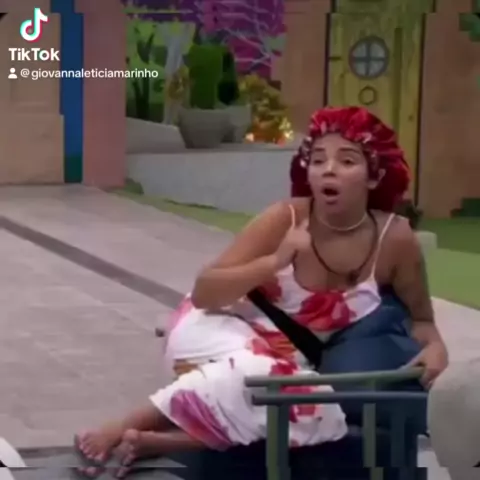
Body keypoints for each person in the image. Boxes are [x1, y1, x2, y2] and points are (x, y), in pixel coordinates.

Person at [74, 106, 448, 478]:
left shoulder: (395, 240)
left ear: (374, 175)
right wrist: (276, 260)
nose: (328, 169)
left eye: (346, 161)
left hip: (290, 360)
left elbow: (421, 319)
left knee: (319, 405)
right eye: (318, 160)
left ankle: (159, 442)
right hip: (221, 323)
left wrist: (435, 348)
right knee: (261, 377)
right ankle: (126, 424)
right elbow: (204, 292)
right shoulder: (284, 218)